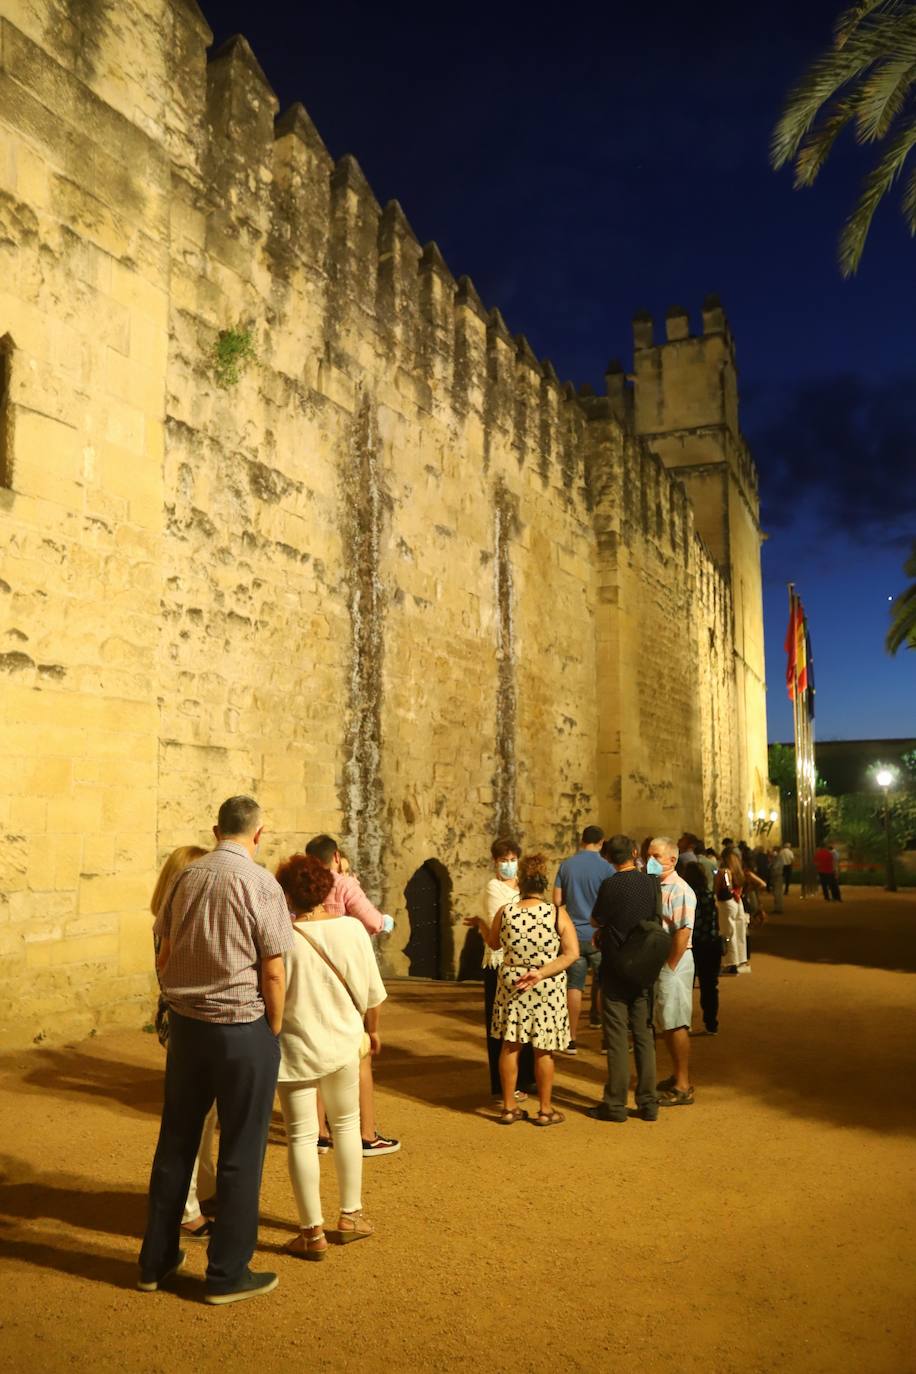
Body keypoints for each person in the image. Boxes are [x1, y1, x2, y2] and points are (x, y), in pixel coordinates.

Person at [139, 796, 293, 1305]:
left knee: (176, 1142)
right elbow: (273, 968)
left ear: (215, 829)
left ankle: (155, 1261)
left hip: (187, 1029)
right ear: (258, 833)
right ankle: (227, 1273)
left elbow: (161, 949)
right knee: (241, 1152)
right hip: (241, 1028)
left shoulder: (185, 876)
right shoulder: (261, 884)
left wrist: (180, 997)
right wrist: (272, 1026)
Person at [274, 853, 385, 1259]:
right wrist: (371, 1030)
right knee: (347, 1124)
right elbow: (373, 992)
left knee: (302, 1136)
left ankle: (311, 1232)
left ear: (285, 893)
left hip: (297, 1047)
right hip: (343, 1045)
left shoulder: (281, 938)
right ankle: (351, 1215)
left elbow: (272, 995)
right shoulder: (352, 930)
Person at [305, 834, 399, 1156]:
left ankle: (319, 1133)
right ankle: (366, 1134)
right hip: (344, 972)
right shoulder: (343, 884)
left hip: (311, 974)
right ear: (335, 856)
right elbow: (373, 923)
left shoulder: (298, 887)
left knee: (316, 1056)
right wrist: (389, 921)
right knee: (359, 1056)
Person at [150, 844, 216, 1240]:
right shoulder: (170, 926)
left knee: (205, 1118)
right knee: (192, 1120)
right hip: (186, 1024)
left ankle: (201, 1190)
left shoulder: (169, 921)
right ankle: (187, 1209)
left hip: (184, 1023)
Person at [487, 854, 578, 1125]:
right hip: (546, 987)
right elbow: (571, 953)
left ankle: (508, 1107)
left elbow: (493, 944)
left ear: (521, 882)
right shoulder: (556, 913)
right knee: (543, 1050)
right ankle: (545, 1110)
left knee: (510, 1047)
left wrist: (482, 926)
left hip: (512, 985)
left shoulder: (506, 911)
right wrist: (541, 972)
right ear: (544, 882)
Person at [586, 835, 659, 1122]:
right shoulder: (651, 883)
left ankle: (615, 1104)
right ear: (633, 853)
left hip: (616, 965)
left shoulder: (610, 885)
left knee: (616, 1036)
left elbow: (597, 919)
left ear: (609, 859)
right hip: (644, 964)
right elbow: (656, 916)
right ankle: (648, 1102)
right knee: (643, 1034)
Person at [462, 838, 535, 1101]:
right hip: (501, 961)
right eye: (504, 860)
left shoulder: (525, 886)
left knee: (525, 1021)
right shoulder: (494, 888)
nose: (509, 864)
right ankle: (503, 1083)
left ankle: (526, 1077)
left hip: (526, 961)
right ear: (495, 862)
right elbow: (502, 924)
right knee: (501, 1025)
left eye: (512, 859)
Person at [552, 826, 614, 1052]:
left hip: (574, 936)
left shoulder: (566, 865)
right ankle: (608, 1039)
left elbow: (557, 901)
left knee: (574, 986)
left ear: (582, 840)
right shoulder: (607, 868)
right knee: (604, 985)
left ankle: (571, 1038)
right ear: (601, 842)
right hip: (599, 936)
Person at [648, 837, 696, 1106]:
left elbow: (682, 931)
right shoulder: (657, 886)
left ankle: (682, 1084)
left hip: (674, 962)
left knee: (675, 1021)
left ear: (672, 860)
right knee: (666, 1020)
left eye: (656, 856)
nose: (650, 861)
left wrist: (669, 966)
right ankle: (677, 1075)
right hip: (662, 961)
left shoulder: (680, 890)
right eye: (648, 855)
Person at [682, 861, 720, 1035]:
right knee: (709, 986)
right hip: (710, 944)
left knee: (686, 985)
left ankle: (684, 1022)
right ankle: (711, 1023)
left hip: (691, 944)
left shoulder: (686, 895)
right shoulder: (708, 894)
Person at [717, 847, 749, 974]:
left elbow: (724, 886)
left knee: (728, 933)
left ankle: (730, 962)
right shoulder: (738, 871)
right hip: (737, 901)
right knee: (739, 931)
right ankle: (741, 958)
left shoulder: (724, 871)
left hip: (726, 902)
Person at [770, 846, 785, 914]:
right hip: (776, 876)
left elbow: (775, 866)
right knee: (777, 893)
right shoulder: (777, 857)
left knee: (777, 893)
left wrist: (771, 864)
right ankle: (777, 907)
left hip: (777, 876)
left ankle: (779, 908)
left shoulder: (778, 857)